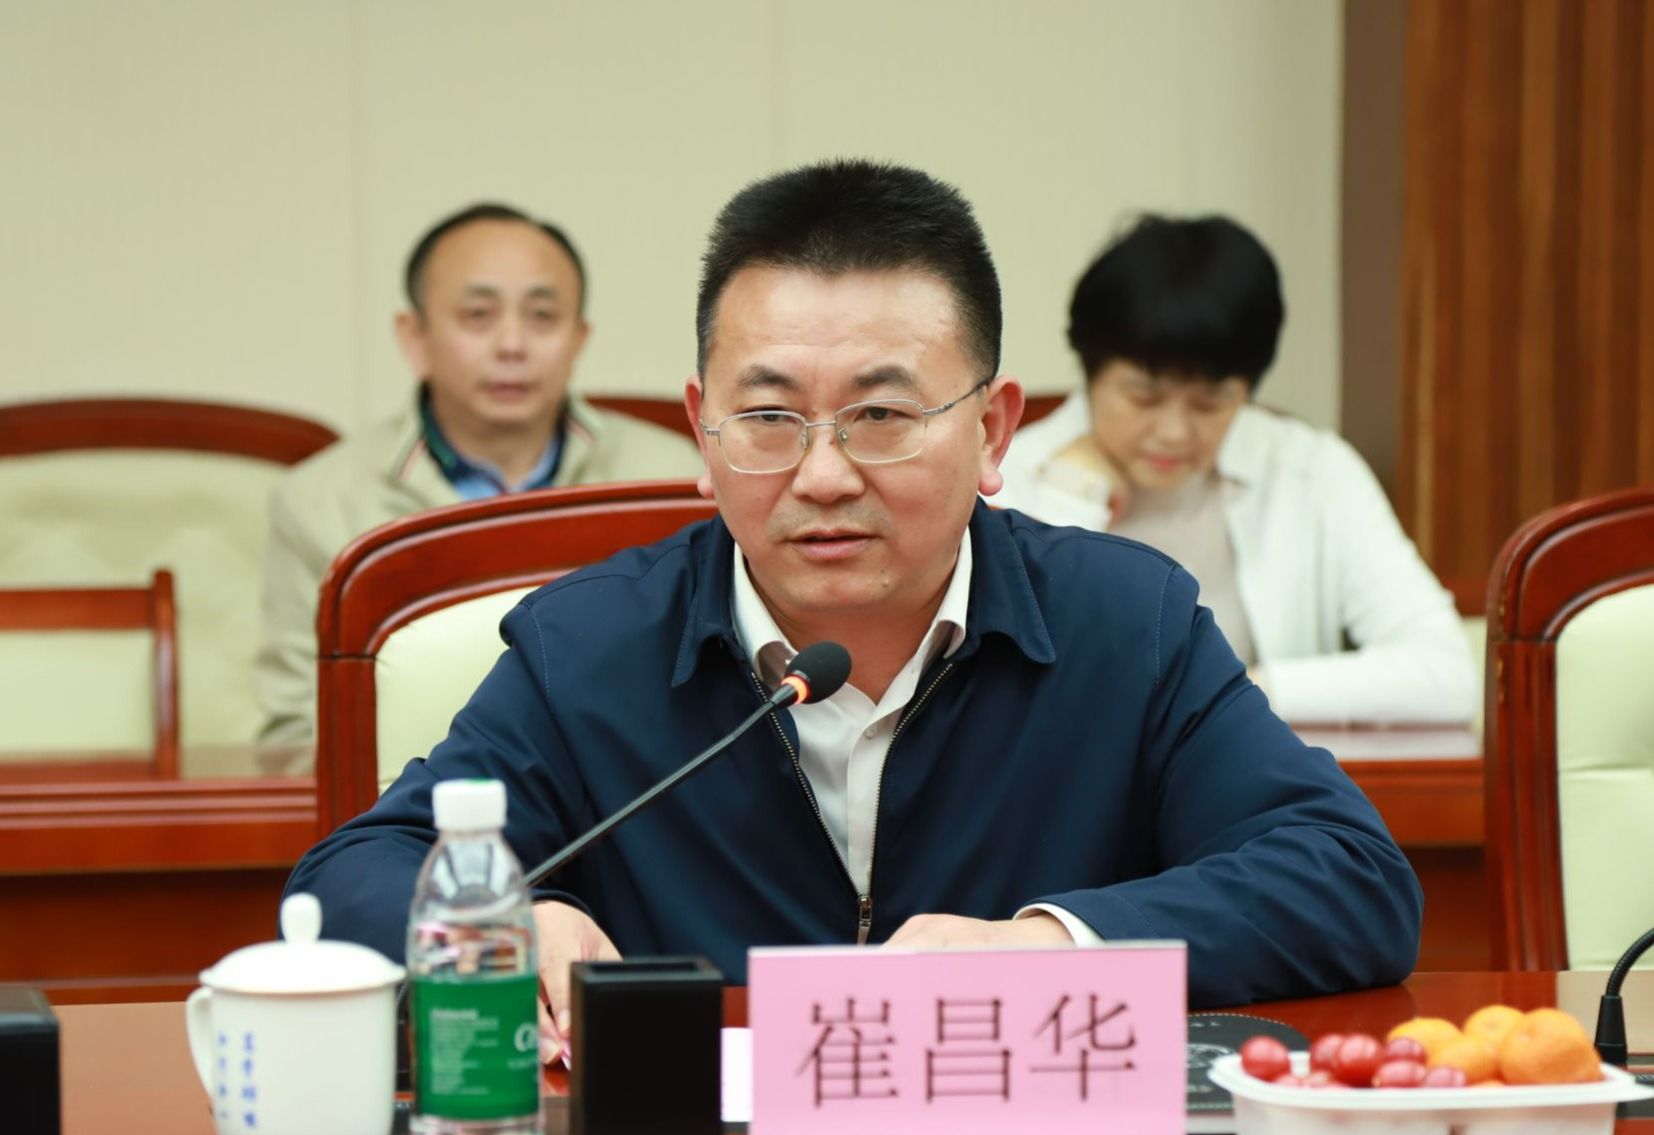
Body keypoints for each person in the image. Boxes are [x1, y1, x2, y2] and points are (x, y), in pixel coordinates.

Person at [286, 163, 1421, 1059]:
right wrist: (505, 923)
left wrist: (1052, 945)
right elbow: (351, 878)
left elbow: (1347, 877)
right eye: (769, 418)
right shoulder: (591, 647)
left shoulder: (1126, 623)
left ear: (993, 430)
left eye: (881, 417)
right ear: (702, 433)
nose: (823, 475)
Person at [993, 214, 1474, 725]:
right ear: (1090, 372)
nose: (1173, 432)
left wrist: (1234, 696)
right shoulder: (1005, 474)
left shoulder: (1311, 471)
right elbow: (1004, 693)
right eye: (1144, 397)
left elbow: (1448, 675)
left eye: (1209, 403)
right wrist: (1070, 498)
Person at [255, 203, 702, 743]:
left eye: (542, 316)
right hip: (409, 791)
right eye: (477, 315)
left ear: (579, 338)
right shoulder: (320, 500)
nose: (512, 345)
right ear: (415, 337)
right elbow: (298, 733)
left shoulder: (673, 479)